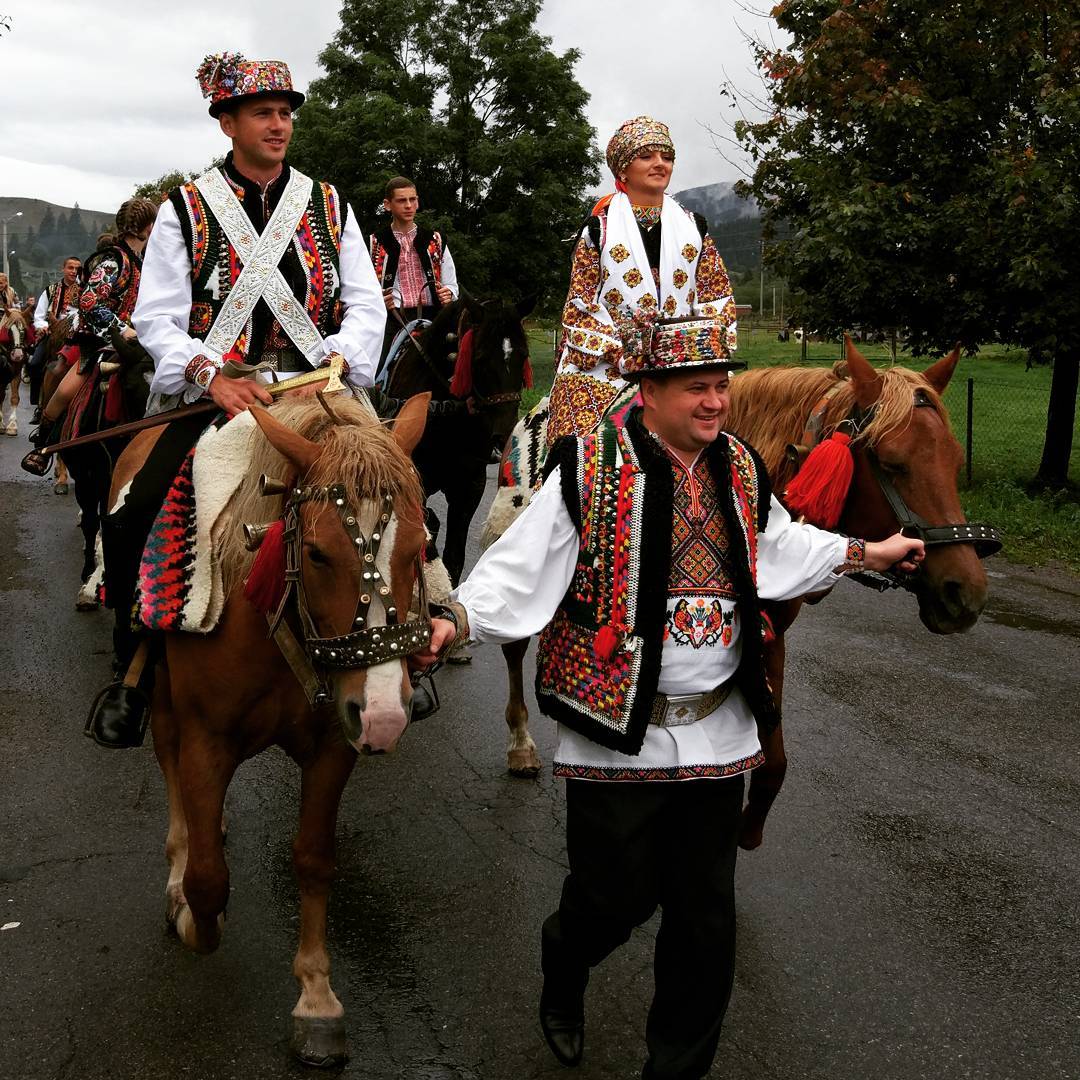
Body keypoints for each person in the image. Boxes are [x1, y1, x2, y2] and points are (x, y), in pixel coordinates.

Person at [416, 315, 925, 1079]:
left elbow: (781, 545)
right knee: (611, 902)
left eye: (721, 386)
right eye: (698, 388)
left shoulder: (743, 471)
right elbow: (521, 566)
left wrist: (867, 551)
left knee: (704, 925)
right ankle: (566, 959)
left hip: (718, 735)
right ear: (649, 392)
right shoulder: (590, 469)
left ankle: (674, 1069)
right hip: (618, 732)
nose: (716, 402)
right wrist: (455, 619)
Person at [84, 50, 385, 750]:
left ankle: (409, 644)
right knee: (137, 514)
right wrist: (209, 373)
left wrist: (345, 355)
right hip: (223, 393)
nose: (279, 125)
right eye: (263, 113)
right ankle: (135, 669)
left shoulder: (328, 202)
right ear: (228, 123)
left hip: (320, 388)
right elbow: (156, 315)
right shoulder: (184, 209)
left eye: (285, 113)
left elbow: (367, 300)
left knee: (396, 496)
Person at [548, 116, 736, 446]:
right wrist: (623, 354)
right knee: (574, 445)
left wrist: (700, 348)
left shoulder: (695, 228)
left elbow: (716, 296)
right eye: (647, 156)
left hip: (681, 359)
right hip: (609, 365)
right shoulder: (598, 231)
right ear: (623, 170)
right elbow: (581, 307)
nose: (660, 164)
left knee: (732, 433)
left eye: (667, 157)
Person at [22, 199, 158, 473]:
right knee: (66, 387)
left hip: (141, 342)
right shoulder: (112, 260)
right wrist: (121, 328)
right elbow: (88, 301)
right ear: (147, 227)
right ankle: (44, 444)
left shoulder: (145, 262)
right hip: (99, 342)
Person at [369, 175, 458, 365]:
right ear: (387, 204)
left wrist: (448, 293)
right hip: (392, 321)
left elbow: (451, 283)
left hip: (433, 317)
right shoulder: (374, 243)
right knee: (378, 370)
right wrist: (377, 298)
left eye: (413, 199)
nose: (408, 205)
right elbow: (363, 287)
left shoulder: (435, 240)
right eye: (402, 200)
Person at [29, 255, 82, 418]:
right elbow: (39, 315)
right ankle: (39, 405)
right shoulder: (50, 290)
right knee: (35, 363)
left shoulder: (85, 291)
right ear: (63, 269)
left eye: (77, 269)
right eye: (70, 268)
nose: (74, 271)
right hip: (52, 333)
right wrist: (44, 327)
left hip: (76, 335)